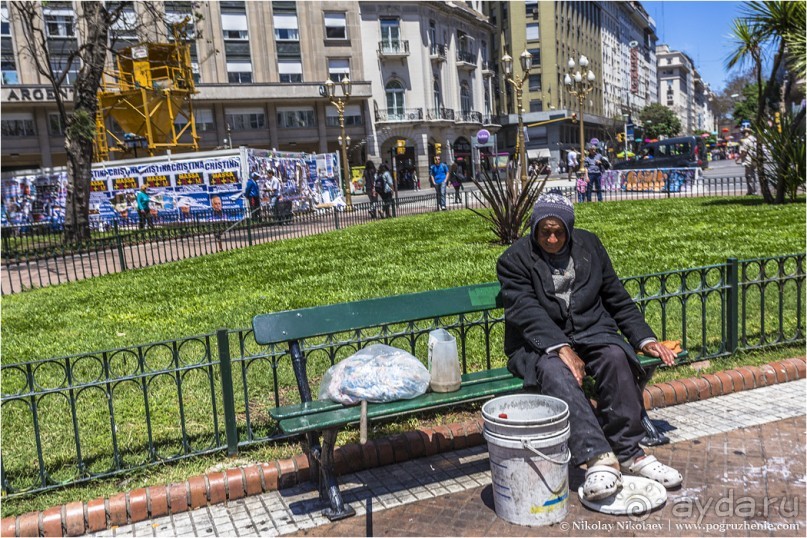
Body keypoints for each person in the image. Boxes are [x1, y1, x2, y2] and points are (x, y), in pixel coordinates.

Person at [496, 191, 682, 502]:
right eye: (545, 231)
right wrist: (560, 346)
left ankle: (630, 453)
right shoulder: (514, 260)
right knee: (556, 372)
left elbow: (615, 296)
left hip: (591, 332)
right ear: (534, 228)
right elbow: (525, 310)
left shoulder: (590, 246)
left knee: (614, 356)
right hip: (537, 344)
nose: (552, 239)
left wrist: (644, 338)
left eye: (559, 232)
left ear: (569, 229)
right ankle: (598, 457)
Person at [736, 127, 757, 195]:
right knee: (753, 175)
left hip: (748, 160)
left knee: (749, 176)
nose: (744, 134)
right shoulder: (754, 140)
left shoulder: (745, 141)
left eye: (745, 132)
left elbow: (744, 152)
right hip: (755, 159)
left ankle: (751, 191)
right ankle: (755, 190)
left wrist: (737, 159)